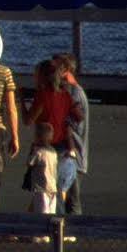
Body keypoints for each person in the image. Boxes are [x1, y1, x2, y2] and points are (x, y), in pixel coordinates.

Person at [51, 54, 90, 215]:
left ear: (65, 70)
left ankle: (74, 230)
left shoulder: (73, 93)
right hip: (72, 152)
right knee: (67, 196)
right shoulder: (72, 91)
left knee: (70, 198)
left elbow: (71, 122)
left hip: (71, 152)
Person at [22, 120, 59, 215]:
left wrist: (31, 149)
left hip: (41, 188)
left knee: (42, 213)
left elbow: (29, 163)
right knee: (51, 212)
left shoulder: (38, 152)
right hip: (52, 186)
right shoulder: (53, 152)